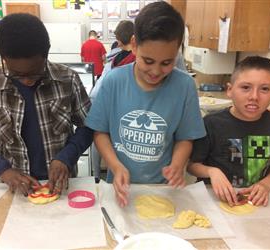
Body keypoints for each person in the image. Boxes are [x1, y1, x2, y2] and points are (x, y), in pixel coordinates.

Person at [85, 2, 205, 207]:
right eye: (148, 61)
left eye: (166, 63)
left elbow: (185, 137)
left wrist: (177, 165)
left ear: (177, 52)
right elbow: (100, 132)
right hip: (121, 188)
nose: (156, 71)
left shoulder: (184, 86)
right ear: (134, 44)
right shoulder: (113, 81)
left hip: (164, 191)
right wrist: (115, 166)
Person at [0, 13, 93, 196]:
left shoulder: (67, 80)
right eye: (16, 74)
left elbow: (89, 126)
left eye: (35, 73)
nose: (28, 81)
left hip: (62, 184)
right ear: (3, 57)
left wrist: (66, 157)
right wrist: (3, 170)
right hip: (15, 187)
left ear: (46, 54)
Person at [188, 56, 270, 207]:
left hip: (256, 203)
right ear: (230, 90)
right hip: (213, 201)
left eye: (264, 89)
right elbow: (192, 166)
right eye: (245, 87)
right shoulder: (212, 123)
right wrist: (212, 172)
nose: (254, 96)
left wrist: (266, 184)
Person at [90, 20, 135, 182]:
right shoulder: (129, 61)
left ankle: (96, 175)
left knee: (111, 145)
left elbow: (95, 93)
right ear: (134, 40)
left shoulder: (113, 60)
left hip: (111, 110)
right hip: (123, 111)